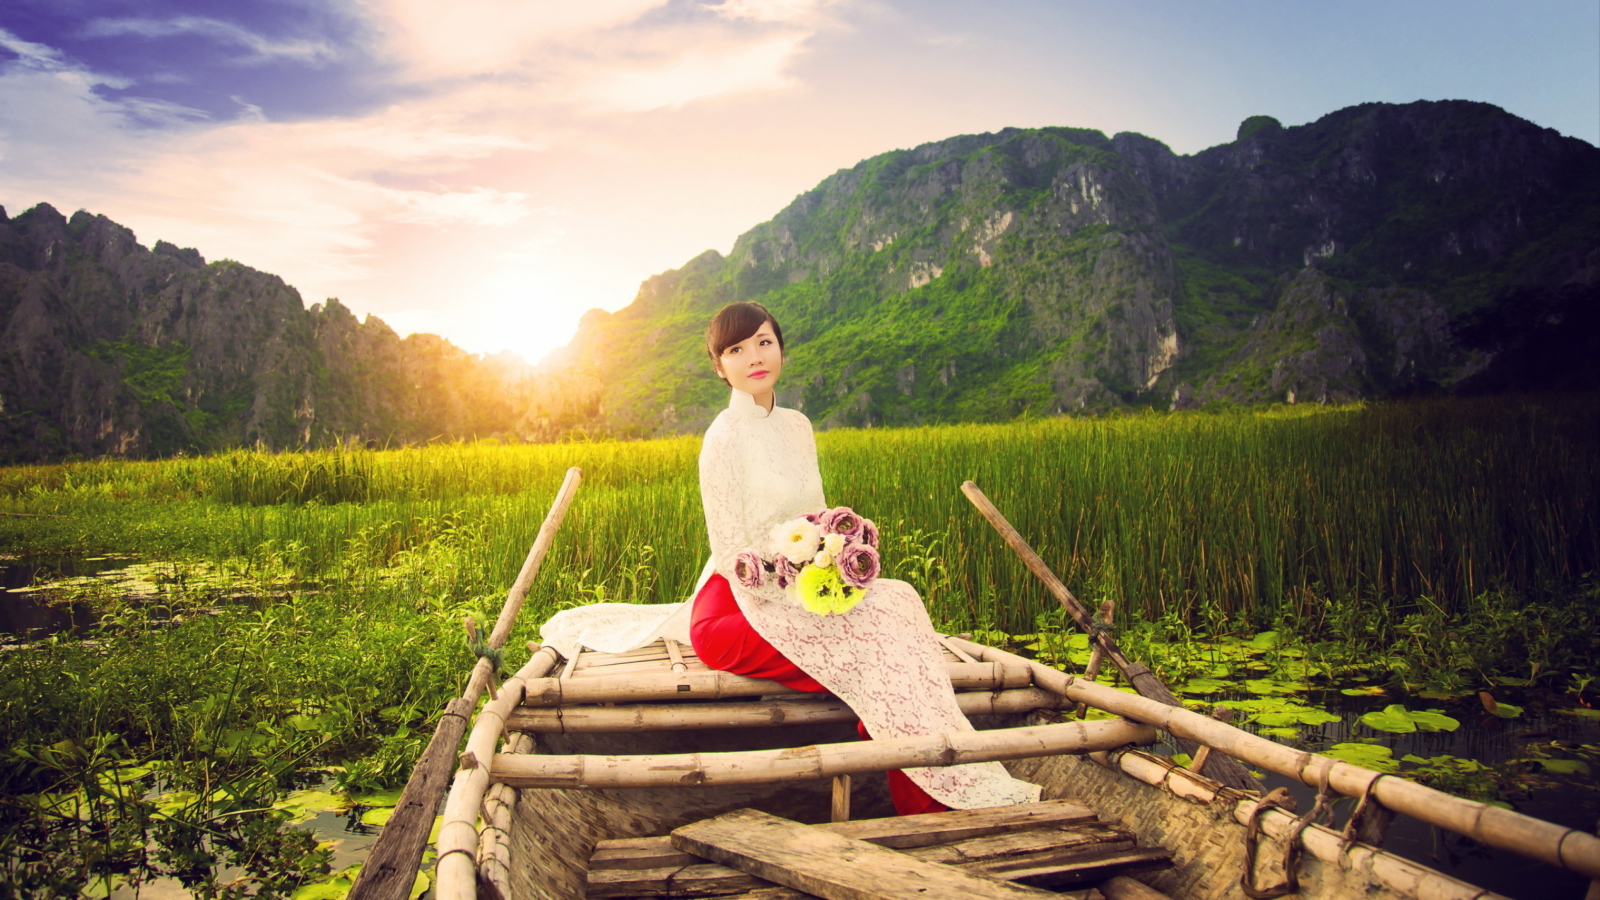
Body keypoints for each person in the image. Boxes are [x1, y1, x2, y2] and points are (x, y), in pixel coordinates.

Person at [686, 301, 1039, 814]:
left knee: (898, 600)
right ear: (720, 367)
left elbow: (816, 513)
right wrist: (795, 578)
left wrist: (832, 551)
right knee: (873, 645)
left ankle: (938, 762)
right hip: (739, 604)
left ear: (781, 347)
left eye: (764, 342)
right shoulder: (722, 438)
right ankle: (925, 799)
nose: (755, 357)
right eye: (736, 350)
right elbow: (729, 551)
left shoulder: (797, 426)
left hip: (804, 582)